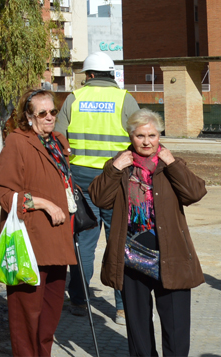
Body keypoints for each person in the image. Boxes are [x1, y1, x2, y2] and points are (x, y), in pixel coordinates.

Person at [89, 109, 206, 357]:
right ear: (130, 136)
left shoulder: (170, 164)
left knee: (176, 329)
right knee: (138, 329)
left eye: (152, 135)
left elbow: (195, 193)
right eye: (140, 135)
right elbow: (99, 198)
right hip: (132, 258)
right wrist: (114, 168)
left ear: (159, 135)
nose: (146, 141)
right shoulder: (121, 165)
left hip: (171, 257)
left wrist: (172, 163)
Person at [56, 51, 140, 322]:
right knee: (119, 241)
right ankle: (123, 307)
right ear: (111, 75)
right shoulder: (125, 99)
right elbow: (141, 138)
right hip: (117, 179)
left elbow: (59, 137)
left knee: (84, 242)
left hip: (81, 180)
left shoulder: (74, 99)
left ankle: (79, 301)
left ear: (89, 75)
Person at [0, 89, 77, 357]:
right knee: (26, 316)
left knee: (50, 316)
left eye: (53, 111)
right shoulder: (17, 144)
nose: (50, 117)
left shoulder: (57, 143)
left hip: (58, 240)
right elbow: (5, 194)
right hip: (29, 244)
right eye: (43, 113)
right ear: (29, 117)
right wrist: (43, 203)